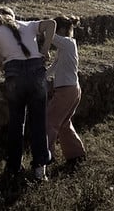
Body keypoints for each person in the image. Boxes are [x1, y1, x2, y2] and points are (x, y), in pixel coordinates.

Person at [0, 7, 56, 181]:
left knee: (16, 122)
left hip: (14, 74)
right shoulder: (27, 24)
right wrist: (45, 49)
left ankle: (13, 167)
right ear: (13, 16)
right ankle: (39, 169)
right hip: (36, 71)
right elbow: (51, 23)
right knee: (38, 122)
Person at [44, 14, 86, 168]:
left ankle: (46, 156)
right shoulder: (66, 48)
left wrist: (41, 27)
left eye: (55, 28)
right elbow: (54, 67)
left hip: (66, 90)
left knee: (49, 121)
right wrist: (41, 76)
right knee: (63, 123)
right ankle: (76, 154)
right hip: (72, 89)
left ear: (60, 29)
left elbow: (50, 35)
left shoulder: (68, 43)